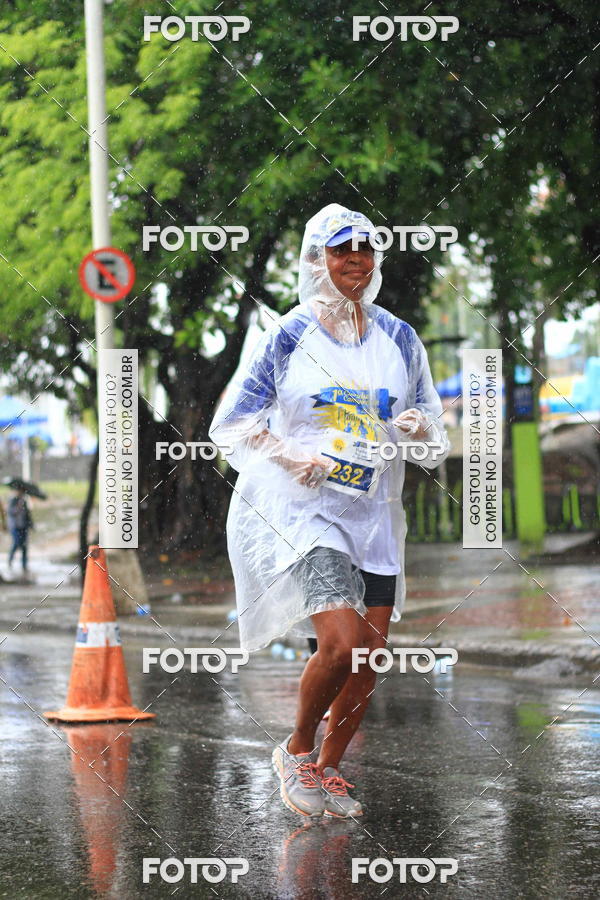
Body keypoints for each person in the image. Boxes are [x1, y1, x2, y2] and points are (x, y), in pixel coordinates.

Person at [209, 203, 449, 818]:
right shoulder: (288, 336)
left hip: (375, 516)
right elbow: (232, 425)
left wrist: (419, 425)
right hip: (307, 513)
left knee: (369, 658)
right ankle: (294, 748)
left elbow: (433, 436)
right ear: (316, 260)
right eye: (341, 251)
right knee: (340, 645)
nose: (355, 262)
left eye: (365, 250)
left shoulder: (400, 338)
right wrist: (288, 453)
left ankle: (328, 769)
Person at [7, 486, 33, 576]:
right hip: (15, 526)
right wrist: (17, 507)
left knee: (25, 546)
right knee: (17, 543)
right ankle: (10, 560)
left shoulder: (24, 502)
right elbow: (10, 512)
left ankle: (24, 565)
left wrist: (31, 524)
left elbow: (28, 514)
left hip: (23, 526)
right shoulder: (13, 501)